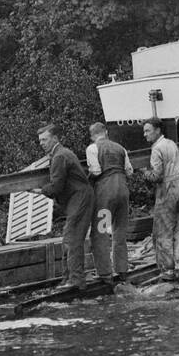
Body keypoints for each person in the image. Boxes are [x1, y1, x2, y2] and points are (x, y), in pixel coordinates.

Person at [37, 122, 94, 290]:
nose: (42, 143)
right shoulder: (60, 154)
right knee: (68, 238)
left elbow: (56, 187)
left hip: (80, 198)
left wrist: (41, 190)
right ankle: (68, 278)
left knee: (73, 239)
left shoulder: (60, 156)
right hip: (77, 198)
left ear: (55, 138)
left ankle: (76, 281)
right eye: (40, 140)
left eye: (45, 139)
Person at [141, 117, 179, 281]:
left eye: (147, 130)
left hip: (168, 191)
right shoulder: (171, 143)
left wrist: (144, 172)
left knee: (164, 232)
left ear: (157, 130)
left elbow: (157, 176)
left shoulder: (156, 149)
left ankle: (167, 269)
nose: (145, 134)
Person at [85, 121, 130, 285]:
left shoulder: (92, 148)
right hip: (123, 191)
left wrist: (87, 183)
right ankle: (122, 270)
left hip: (106, 193)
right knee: (120, 231)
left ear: (92, 135)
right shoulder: (121, 148)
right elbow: (129, 171)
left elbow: (95, 171)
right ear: (106, 133)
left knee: (101, 232)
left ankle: (105, 273)